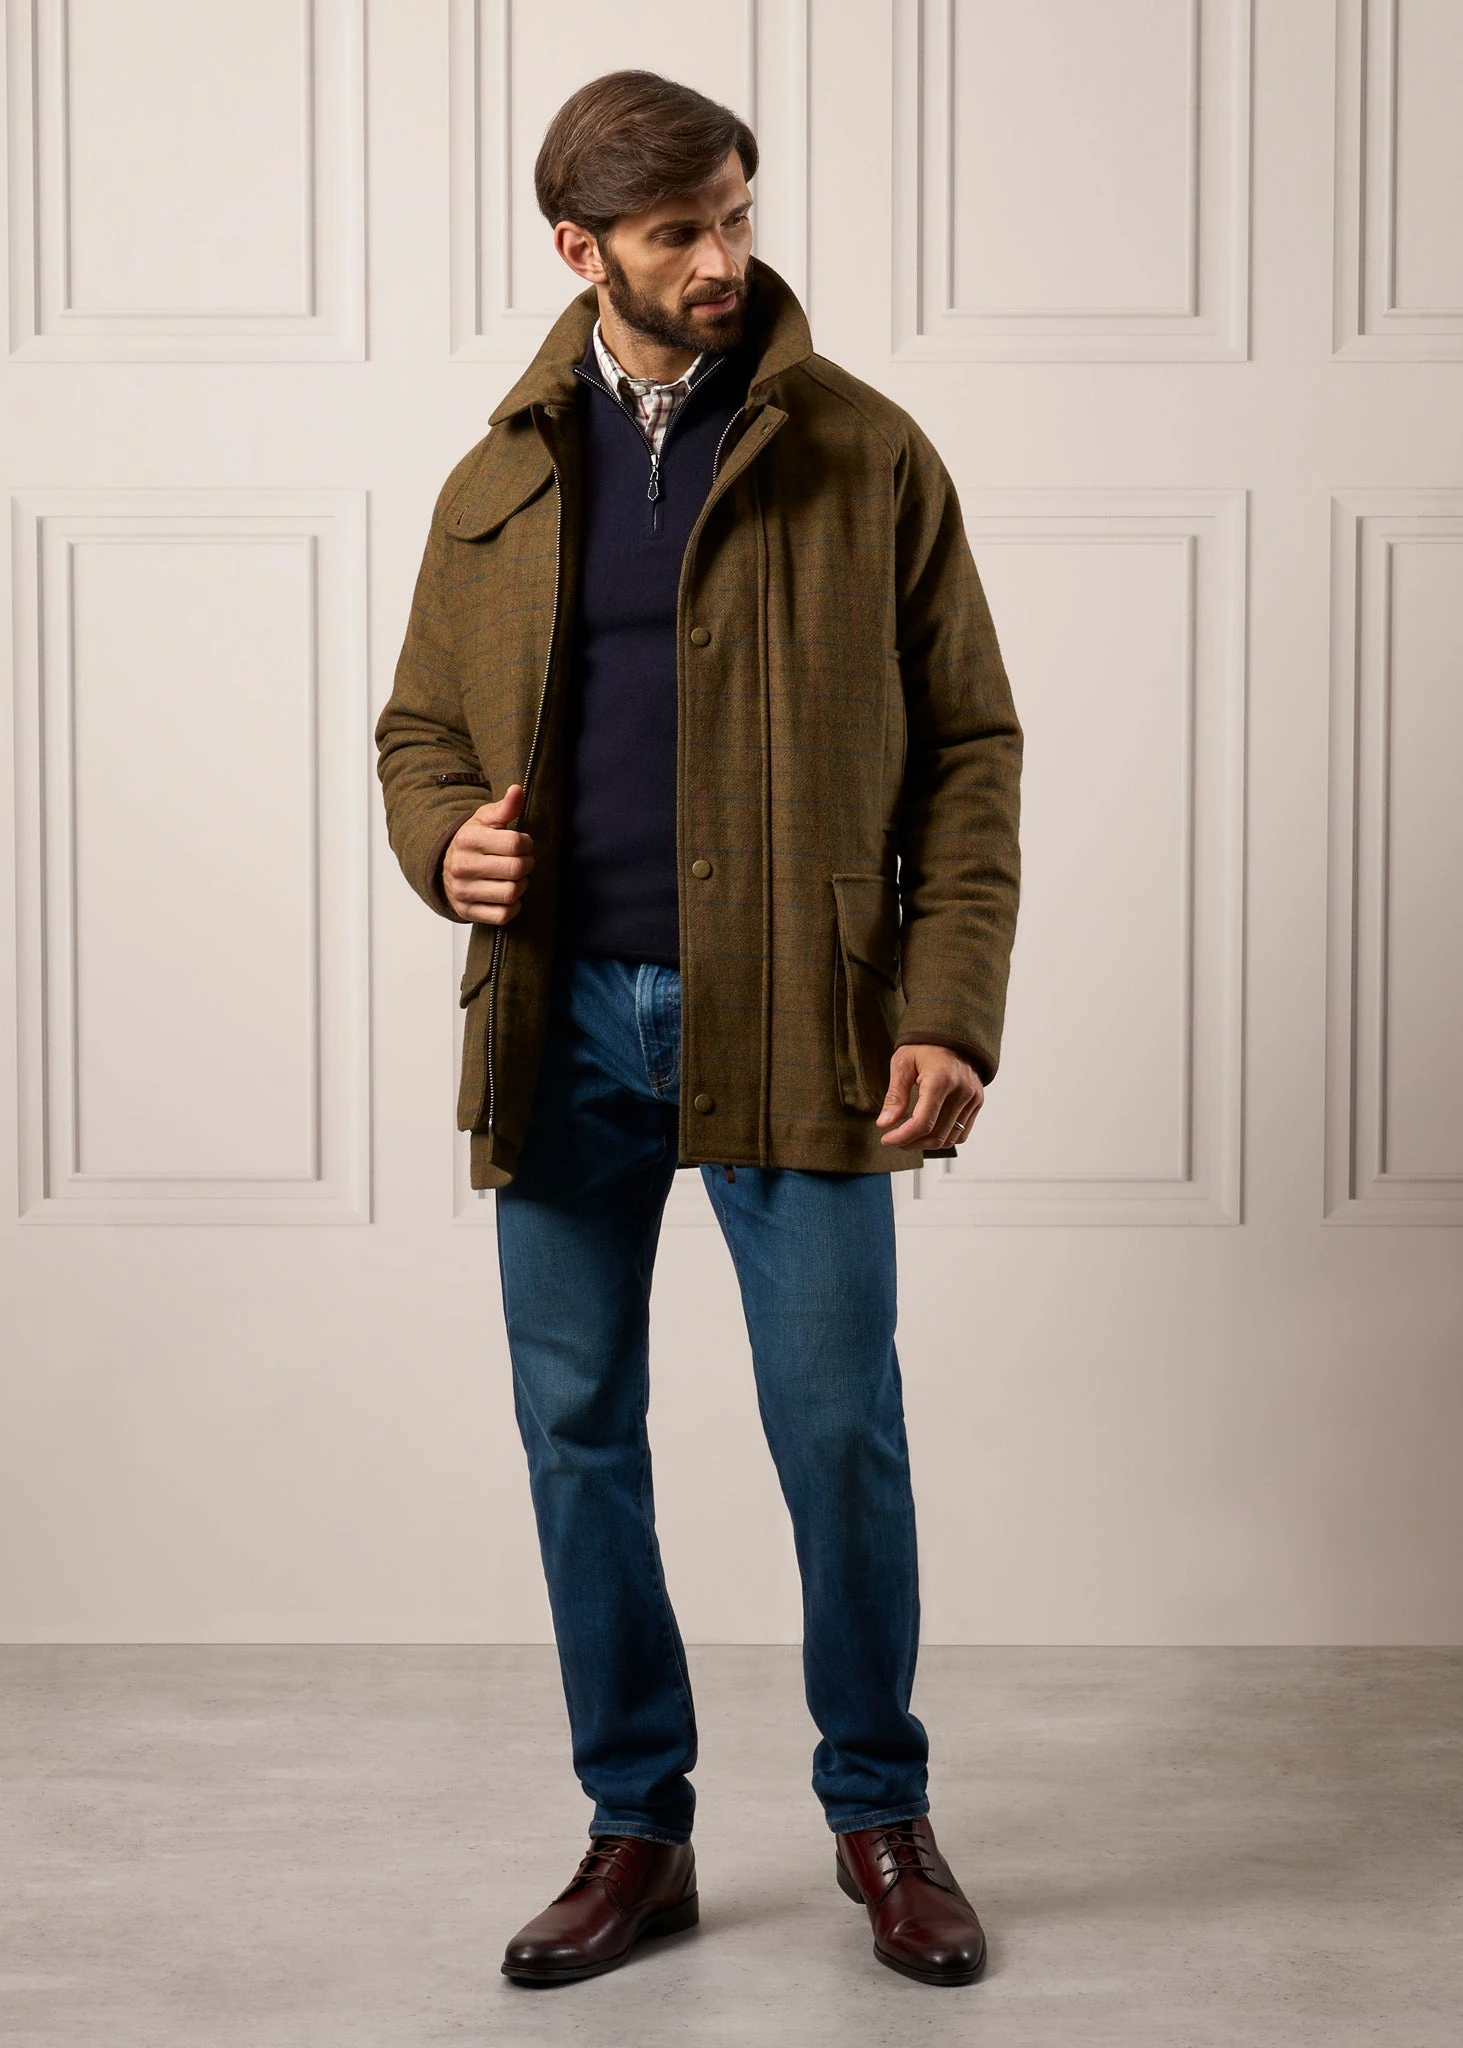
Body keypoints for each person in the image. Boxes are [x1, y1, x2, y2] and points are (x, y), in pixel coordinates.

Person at [375, 69, 1022, 1990]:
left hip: (803, 1020)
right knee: (578, 1428)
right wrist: (443, 841)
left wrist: (949, 1007)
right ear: (579, 251)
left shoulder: (865, 454)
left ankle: (880, 1816)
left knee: (836, 1430)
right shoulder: (497, 477)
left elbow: (971, 751)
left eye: (737, 214)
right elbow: (417, 732)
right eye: (681, 232)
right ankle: (634, 1831)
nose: (725, 256)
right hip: (558, 1020)